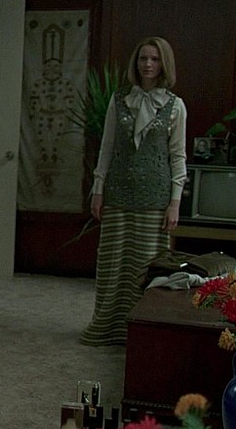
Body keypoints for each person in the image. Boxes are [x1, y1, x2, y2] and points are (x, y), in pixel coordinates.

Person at [80, 36, 187, 346]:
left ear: (164, 64)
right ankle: (107, 327)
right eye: (143, 58)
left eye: (154, 59)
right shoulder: (119, 100)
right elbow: (107, 148)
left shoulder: (175, 106)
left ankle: (139, 331)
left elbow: (177, 156)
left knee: (145, 266)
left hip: (155, 198)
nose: (148, 65)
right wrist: (98, 189)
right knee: (113, 264)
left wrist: (174, 203)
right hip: (118, 193)